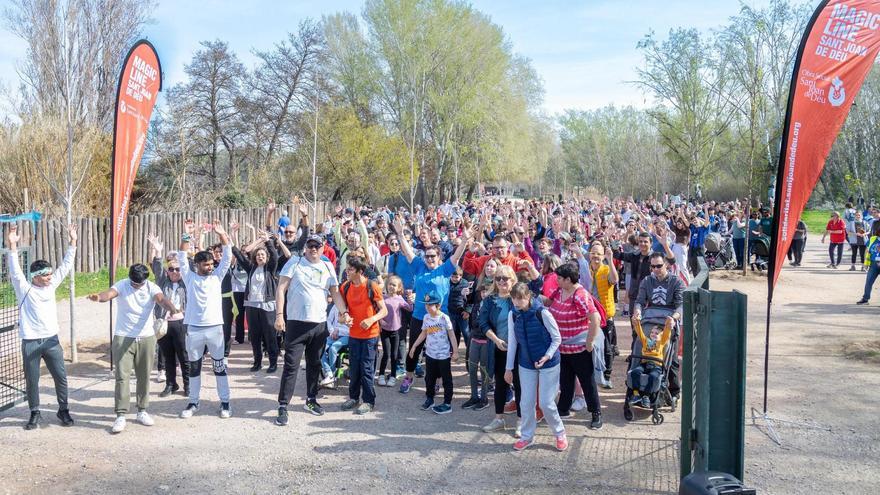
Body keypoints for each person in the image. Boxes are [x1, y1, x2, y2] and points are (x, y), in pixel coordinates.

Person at [87, 264, 179, 433]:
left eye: (139, 283)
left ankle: (142, 411)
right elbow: (109, 293)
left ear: (145, 280)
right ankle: (120, 415)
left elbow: (161, 299)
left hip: (146, 336)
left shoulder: (152, 287)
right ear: (130, 278)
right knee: (122, 376)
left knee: (144, 375)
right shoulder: (122, 284)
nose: (136, 286)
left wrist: (171, 308)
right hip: (123, 336)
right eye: (134, 283)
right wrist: (99, 297)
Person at [6, 223, 77, 430]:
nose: (50, 278)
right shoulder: (24, 289)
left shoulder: (52, 285)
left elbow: (66, 265)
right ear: (35, 276)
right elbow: (14, 269)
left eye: (50, 275)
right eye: (45, 275)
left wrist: (73, 241)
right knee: (32, 381)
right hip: (30, 342)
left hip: (52, 341)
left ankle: (63, 409)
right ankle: (34, 412)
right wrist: (12, 245)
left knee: (61, 377)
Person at [274, 234, 350, 425]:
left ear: (323, 248)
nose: (313, 249)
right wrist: (279, 316)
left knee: (314, 364)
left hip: (319, 324)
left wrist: (344, 312)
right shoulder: (295, 262)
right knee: (291, 366)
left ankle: (311, 399)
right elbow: (281, 288)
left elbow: (335, 292)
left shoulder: (327, 266)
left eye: (317, 246)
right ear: (305, 247)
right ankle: (283, 406)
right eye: (310, 245)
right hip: (297, 323)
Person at [392, 215, 473, 394]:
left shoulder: (445, 269)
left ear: (439, 257)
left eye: (432, 256)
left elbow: (458, 254)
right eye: (427, 256)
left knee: (438, 351)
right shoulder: (420, 266)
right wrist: (400, 234)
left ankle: (436, 381)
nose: (429, 259)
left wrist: (465, 240)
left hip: (439, 318)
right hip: (419, 316)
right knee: (415, 347)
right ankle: (409, 376)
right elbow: (408, 251)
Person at [175, 220, 234, 419]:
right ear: (197, 265)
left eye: (211, 264)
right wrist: (186, 235)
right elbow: (182, 257)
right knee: (194, 367)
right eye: (205, 264)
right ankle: (193, 402)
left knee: (219, 367)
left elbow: (227, 257)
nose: (210, 267)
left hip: (215, 329)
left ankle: (225, 403)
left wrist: (222, 234)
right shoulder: (189, 277)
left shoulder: (217, 277)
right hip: (194, 329)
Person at [505, 282, 566, 452]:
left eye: (520, 299)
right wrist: (509, 368)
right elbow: (513, 343)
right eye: (514, 299)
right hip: (526, 363)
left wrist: (547, 356)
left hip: (549, 362)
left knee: (546, 403)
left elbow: (557, 338)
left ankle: (560, 433)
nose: (517, 303)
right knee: (525, 402)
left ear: (528, 297)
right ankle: (526, 436)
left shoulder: (543, 313)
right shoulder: (513, 314)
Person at [544, 262, 603, 430]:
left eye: (560, 278)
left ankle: (596, 412)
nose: (557, 281)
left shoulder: (580, 295)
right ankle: (563, 408)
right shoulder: (560, 290)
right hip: (562, 347)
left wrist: (590, 341)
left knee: (586, 380)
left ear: (568, 280)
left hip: (579, 348)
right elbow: (548, 302)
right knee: (565, 379)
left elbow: (595, 318)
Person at [338, 255, 388, 415]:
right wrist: (344, 318)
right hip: (354, 335)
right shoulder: (345, 287)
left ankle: (368, 401)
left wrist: (371, 319)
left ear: (360, 271)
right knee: (354, 369)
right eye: (347, 268)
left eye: (351, 269)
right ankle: (353, 398)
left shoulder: (371, 286)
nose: (347, 271)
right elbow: (342, 314)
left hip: (370, 336)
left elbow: (384, 310)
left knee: (366, 369)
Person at [479, 265, 523, 435]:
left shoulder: (519, 298)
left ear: (513, 279)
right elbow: (483, 323)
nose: (502, 281)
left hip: (519, 350)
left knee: (519, 386)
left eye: (506, 278)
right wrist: (496, 340)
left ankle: (521, 421)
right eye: (498, 278)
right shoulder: (490, 300)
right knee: (500, 385)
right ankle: (498, 419)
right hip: (498, 348)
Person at [147, 234, 189, 398]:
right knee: (167, 354)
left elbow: (187, 264)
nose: (174, 272)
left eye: (177, 269)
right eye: (171, 269)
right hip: (163, 323)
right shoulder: (162, 280)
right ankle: (171, 384)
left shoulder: (186, 282)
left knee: (183, 355)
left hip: (181, 323)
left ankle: (188, 385)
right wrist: (158, 251)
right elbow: (157, 267)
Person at [232, 232, 280, 373]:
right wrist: (231, 241)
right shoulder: (251, 268)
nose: (260, 256)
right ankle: (257, 362)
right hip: (252, 306)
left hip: (267, 306)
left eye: (262, 255)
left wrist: (267, 242)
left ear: (266, 258)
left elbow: (275, 257)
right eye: (258, 255)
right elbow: (240, 257)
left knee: (270, 336)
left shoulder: (270, 269)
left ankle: (273, 363)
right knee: (254, 336)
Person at [408, 291, 458, 414]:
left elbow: (452, 335)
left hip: (443, 355)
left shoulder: (444, 318)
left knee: (446, 379)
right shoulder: (426, 317)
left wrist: (455, 351)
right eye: (426, 305)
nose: (428, 307)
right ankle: (430, 398)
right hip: (430, 354)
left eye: (430, 305)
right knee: (429, 378)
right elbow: (424, 333)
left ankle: (447, 402)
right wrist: (414, 346)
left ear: (438, 305)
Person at [584, 241, 618, 388]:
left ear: (603, 256)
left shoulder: (606, 269)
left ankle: (607, 374)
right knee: (589, 344)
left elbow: (615, 280)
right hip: (589, 316)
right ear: (589, 255)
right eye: (593, 253)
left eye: (599, 253)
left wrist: (610, 260)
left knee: (607, 347)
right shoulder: (586, 270)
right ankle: (592, 373)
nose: (596, 256)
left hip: (605, 317)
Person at [463, 279, 494, 411]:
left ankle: (484, 398)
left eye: (487, 290)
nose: (484, 293)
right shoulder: (476, 305)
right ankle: (474, 396)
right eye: (483, 291)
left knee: (484, 370)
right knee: (472, 369)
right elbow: (473, 323)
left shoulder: (493, 306)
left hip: (487, 341)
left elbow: (491, 324)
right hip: (475, 339)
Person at [629, 319, 672, 408]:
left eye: (656, 333)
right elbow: (640, 332)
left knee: (653, 376)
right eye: (652, 332)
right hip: (645, 363)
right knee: (635, 372)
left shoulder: (661, 342)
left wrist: (668, 324)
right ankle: (636, 394)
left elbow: (666, 333)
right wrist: (636, 323)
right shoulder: (646, 341)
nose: (653, 334)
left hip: (656, 365)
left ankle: (646, 396)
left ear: (660, 335)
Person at [377, 275, 410, 387]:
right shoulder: (383, 297)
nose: (391, 287)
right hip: (384, 330)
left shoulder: (400, 299)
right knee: (386, 353)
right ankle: (381, 375)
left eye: (394, 285)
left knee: (394, 354)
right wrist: (380, 321)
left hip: (396, 330)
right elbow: (378, 310)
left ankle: (392, 376)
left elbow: (409, 308)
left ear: (399, 288)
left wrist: (410, 301)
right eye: (390, 284)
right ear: (387, 285)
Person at [320, 301, 350, 387]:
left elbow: (353, 327)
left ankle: (331, 374)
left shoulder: (352, 306)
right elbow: (329, 320)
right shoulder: (336, 306)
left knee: (333, 348)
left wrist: (339, 331)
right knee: (320, 349)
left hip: (347, 335)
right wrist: (332, 331)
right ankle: (329, 373)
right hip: (333, 334)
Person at [856, 220, 880, 305]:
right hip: (874, 263)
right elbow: (867, 250)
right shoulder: (873, 239)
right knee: (869, 281)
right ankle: (865, 299)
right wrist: (866, 263)